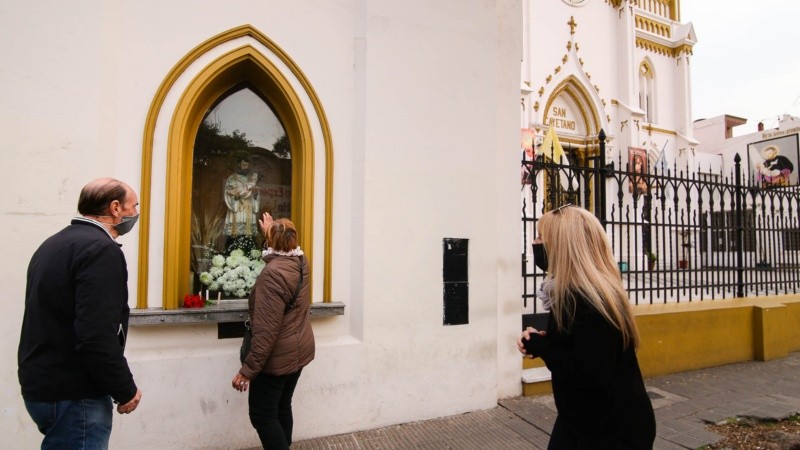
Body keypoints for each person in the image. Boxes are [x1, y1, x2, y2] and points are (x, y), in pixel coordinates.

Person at [18, 177, 143, 449]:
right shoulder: (101, 250)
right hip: (76, 394)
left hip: (43, 385)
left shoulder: (54, 243)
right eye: (134, 206)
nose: (136, 213)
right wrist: (124, 388)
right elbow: (96, 333)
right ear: (115, 208)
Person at [517, 205, 655, 449]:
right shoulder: (582, 292)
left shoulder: (583, 300)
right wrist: (545, 341)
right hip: (587, 420)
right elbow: (583, 346)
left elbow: (586, 372)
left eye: (540, 237)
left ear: (562, 246)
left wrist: (543, 346)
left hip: (608, 431)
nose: (534, 243)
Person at [232, 213, 315, 449]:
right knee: (282, 406)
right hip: (298, 350)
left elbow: (266, 332)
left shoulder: (271, 275)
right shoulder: (301, 261)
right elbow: (279, 254)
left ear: (272, 242)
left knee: (263, 415)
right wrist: (271, 233)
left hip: (276, 359)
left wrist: (248, 371)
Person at [224, 156, 261, 240]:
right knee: (236, 234)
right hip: (237, 206)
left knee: (248, 234)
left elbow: (254, 193)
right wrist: (237, 195)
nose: (246, 167)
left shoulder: (251, 179)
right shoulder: (232, 178)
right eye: (244, 165)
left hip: (248, 207)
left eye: (247, 165)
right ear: (238, 165)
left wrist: (255, 194)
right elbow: (228, 192)